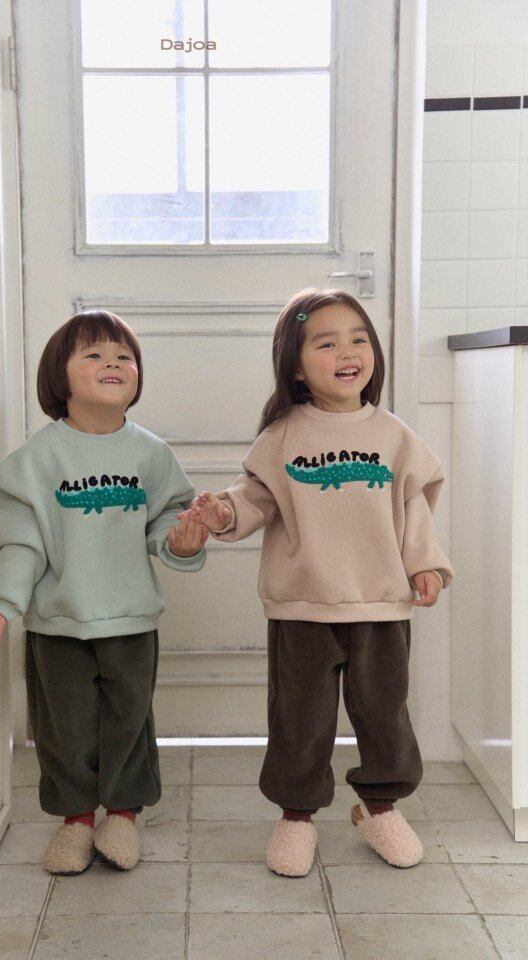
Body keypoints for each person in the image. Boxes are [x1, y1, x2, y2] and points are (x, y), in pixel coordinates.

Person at [180, 287, 454, 876]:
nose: (347, 352)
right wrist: (221, 513)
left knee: (384, 715)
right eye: (326, 343)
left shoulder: (394, 436)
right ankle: (296, 816)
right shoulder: (283, 435)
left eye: (358, 339)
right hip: (302, 607)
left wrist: (425, 564)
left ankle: (379, 808)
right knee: (299, 721)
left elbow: (414, 509)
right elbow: (253, 497)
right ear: (297, 368)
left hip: (380, 604)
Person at [0, 309, 207, 876]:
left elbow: (167, 521)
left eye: (124, 356)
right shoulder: (36, 460)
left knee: (129, 722)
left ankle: (122, 814)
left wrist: (183, 541)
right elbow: (21, 542)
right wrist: (1, 604)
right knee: (63, 729)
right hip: (58, 622)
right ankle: (75, 820)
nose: (112, 363)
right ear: (60, 375)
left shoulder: (152, 453)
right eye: (93, 354)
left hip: (131, 620)